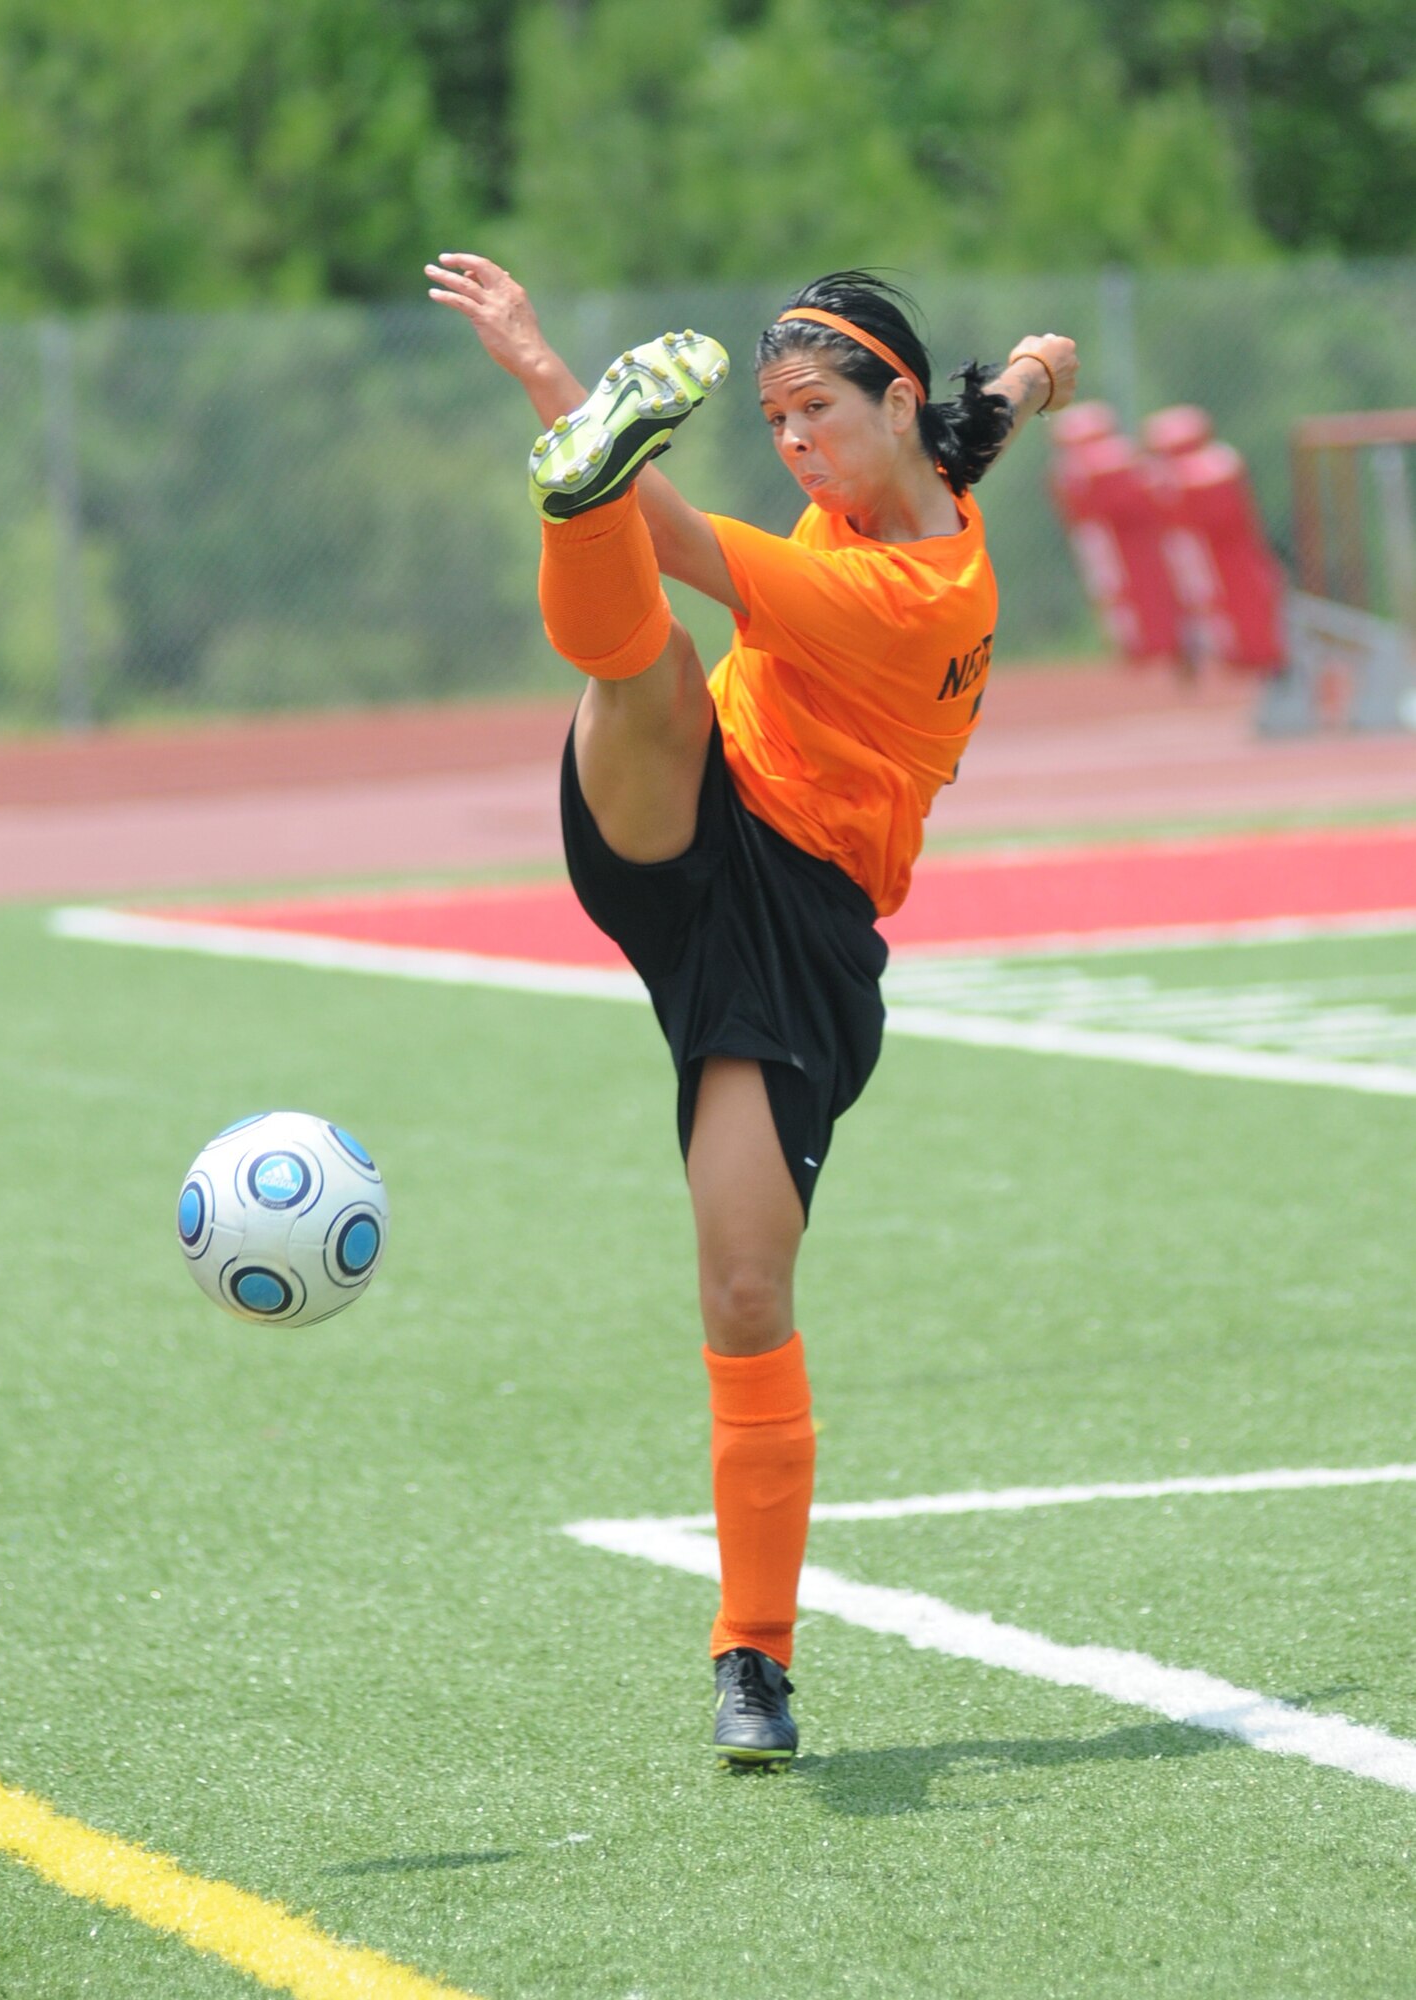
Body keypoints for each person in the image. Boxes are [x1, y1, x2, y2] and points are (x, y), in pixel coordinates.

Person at [426, 252, 1078, 1769]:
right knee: (648, 669)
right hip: (678, 809)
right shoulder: (922, 467)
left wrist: (542, 369)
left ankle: (754, 1657)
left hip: (796, 936)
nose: (792, 446)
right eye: (773, 420)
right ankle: (576, 483)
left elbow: (677, 534)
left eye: (813, 416)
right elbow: (986, 413)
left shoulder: (894, 594)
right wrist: (1039, 371)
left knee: (741, 1291)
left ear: (893, 405)